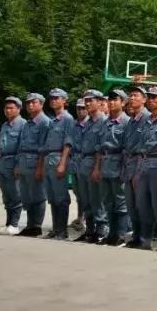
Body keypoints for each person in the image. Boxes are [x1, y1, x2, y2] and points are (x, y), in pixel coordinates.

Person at [94, 89, 131, 246]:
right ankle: (112, 234)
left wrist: (124, 169)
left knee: (121, 201)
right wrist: (97, 168)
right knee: (108, 201)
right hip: (105, 163)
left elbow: (127, 149)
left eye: (115, 99)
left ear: (123, 102)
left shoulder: (127, 122)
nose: (111, 102)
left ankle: (121, 235)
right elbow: (100, 148)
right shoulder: (104, 122)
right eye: (110, 99)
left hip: (119, 162)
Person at [16, 93, 51, 237]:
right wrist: (18, 164)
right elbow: (21, 144)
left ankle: (36, 225)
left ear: (41, 104)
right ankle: (30, 225)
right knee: (26, 196)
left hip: (35, 160)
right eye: (28, 103)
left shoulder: (44, 122)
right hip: (24, 160)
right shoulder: (27, 122)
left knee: (37, 195)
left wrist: (40, 167)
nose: (30, 105)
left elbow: (44, 146)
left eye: (34, 102)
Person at [41, 88, 74, 240]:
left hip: (59, 157)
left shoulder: (67, 119)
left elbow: (68, 143)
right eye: (52, 98)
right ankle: (56, 228)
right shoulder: (52, 120)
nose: (53, 100)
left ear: (64, 100)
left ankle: (62, 230)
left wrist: (63, 163)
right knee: (52, 197)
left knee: (61, 197)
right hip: (49, 158)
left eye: (57, 98)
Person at [74, 91, 107, 243]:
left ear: (100, 102)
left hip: (95, 163)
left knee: (97, 200)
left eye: (90, 100)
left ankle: (101, 231)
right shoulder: (87, 123)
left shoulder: (104, 122)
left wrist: (97, 168)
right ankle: (89, 230)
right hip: (83, 163)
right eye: (85, 101)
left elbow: (101, 149)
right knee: (85, 199)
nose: (87, 103)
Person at [120, 87, 149, 248]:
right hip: (129, 164)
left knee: (141, 204)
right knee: (131, 205)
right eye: (130, 95)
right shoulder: (132, 120)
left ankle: (144, 238)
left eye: (135, 95)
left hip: (140, 164)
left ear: (144, 99)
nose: (131, 98)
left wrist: (138, 171)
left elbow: (144, 147)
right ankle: (136, 236)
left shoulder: (147, 118)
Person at [0, 98, 26, 236]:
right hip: (3, 163)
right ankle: (8, 223)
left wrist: (18, 165)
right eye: (6, 108)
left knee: (15, 195)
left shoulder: (23, 125)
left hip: (14, 162)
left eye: (11, 108)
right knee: (6, 196)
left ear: (18, 109)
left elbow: (22, 147)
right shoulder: (5, 125)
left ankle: (14, 224)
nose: (8, 111)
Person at [69, 98, 90, 232]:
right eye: (78, 108)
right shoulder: (74, 124)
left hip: (85, 160)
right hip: (74, 161)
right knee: (78, 193)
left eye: (83, 108)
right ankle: (79, 217)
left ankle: (87, 220)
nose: (81, 110)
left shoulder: (91, 124)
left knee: (87, 193)